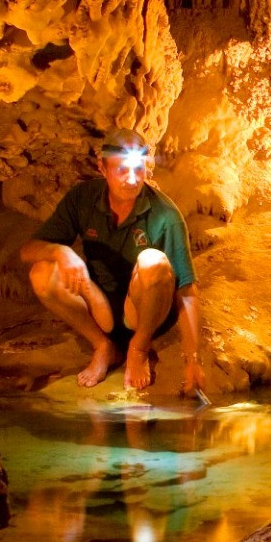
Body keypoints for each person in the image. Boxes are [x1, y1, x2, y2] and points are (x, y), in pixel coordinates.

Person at [19, 129, 205, 394]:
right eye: (121, 170)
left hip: (144, 311)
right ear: (102, 168)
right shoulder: (83, 198)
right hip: (101, 309)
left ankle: (138, 349)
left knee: (152, 260)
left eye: (138, 170)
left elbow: (187, 290)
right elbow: (28, 250)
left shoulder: (165, 214)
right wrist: (61, 252)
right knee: (42, 272)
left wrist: (192, 358)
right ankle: (103, 347)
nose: (131, 179)